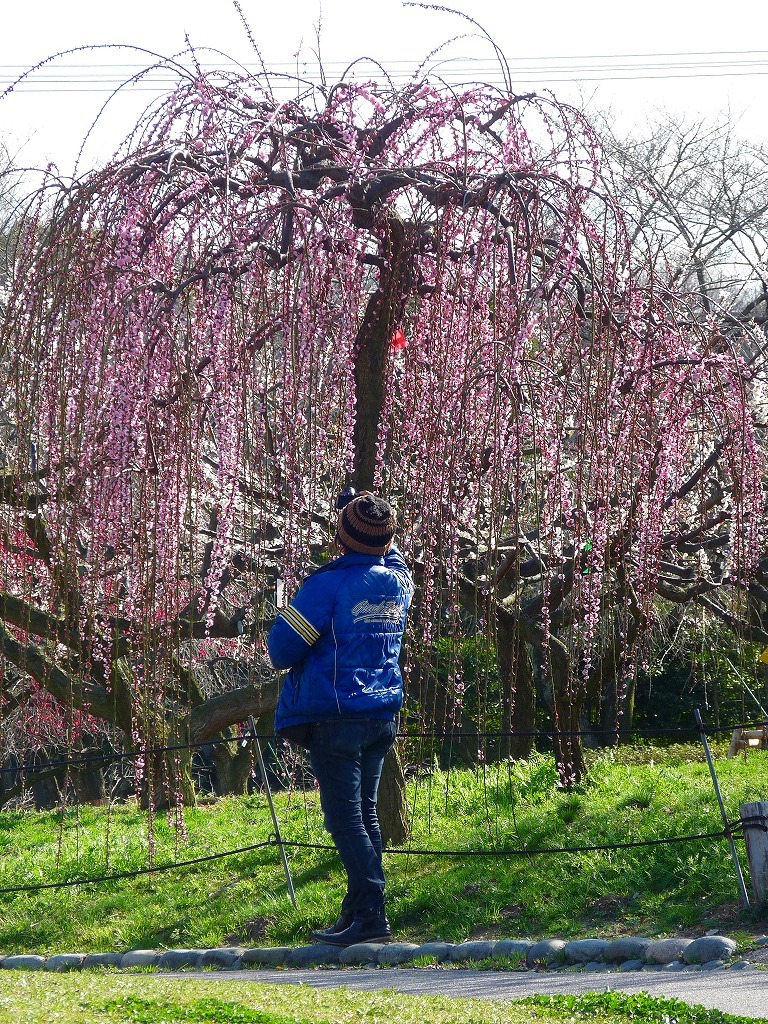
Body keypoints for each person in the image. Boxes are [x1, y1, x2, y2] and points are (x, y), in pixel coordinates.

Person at [268, 491, 413, 946]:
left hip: (336, 716)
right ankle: (357, 912)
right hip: (381, 712)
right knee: (365, 813)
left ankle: (372, 913)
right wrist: (367, 519)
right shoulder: (399, 582)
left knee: (344, 819)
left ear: (341, 536)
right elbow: (390, 552)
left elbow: (281, 650)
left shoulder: (325, 587)